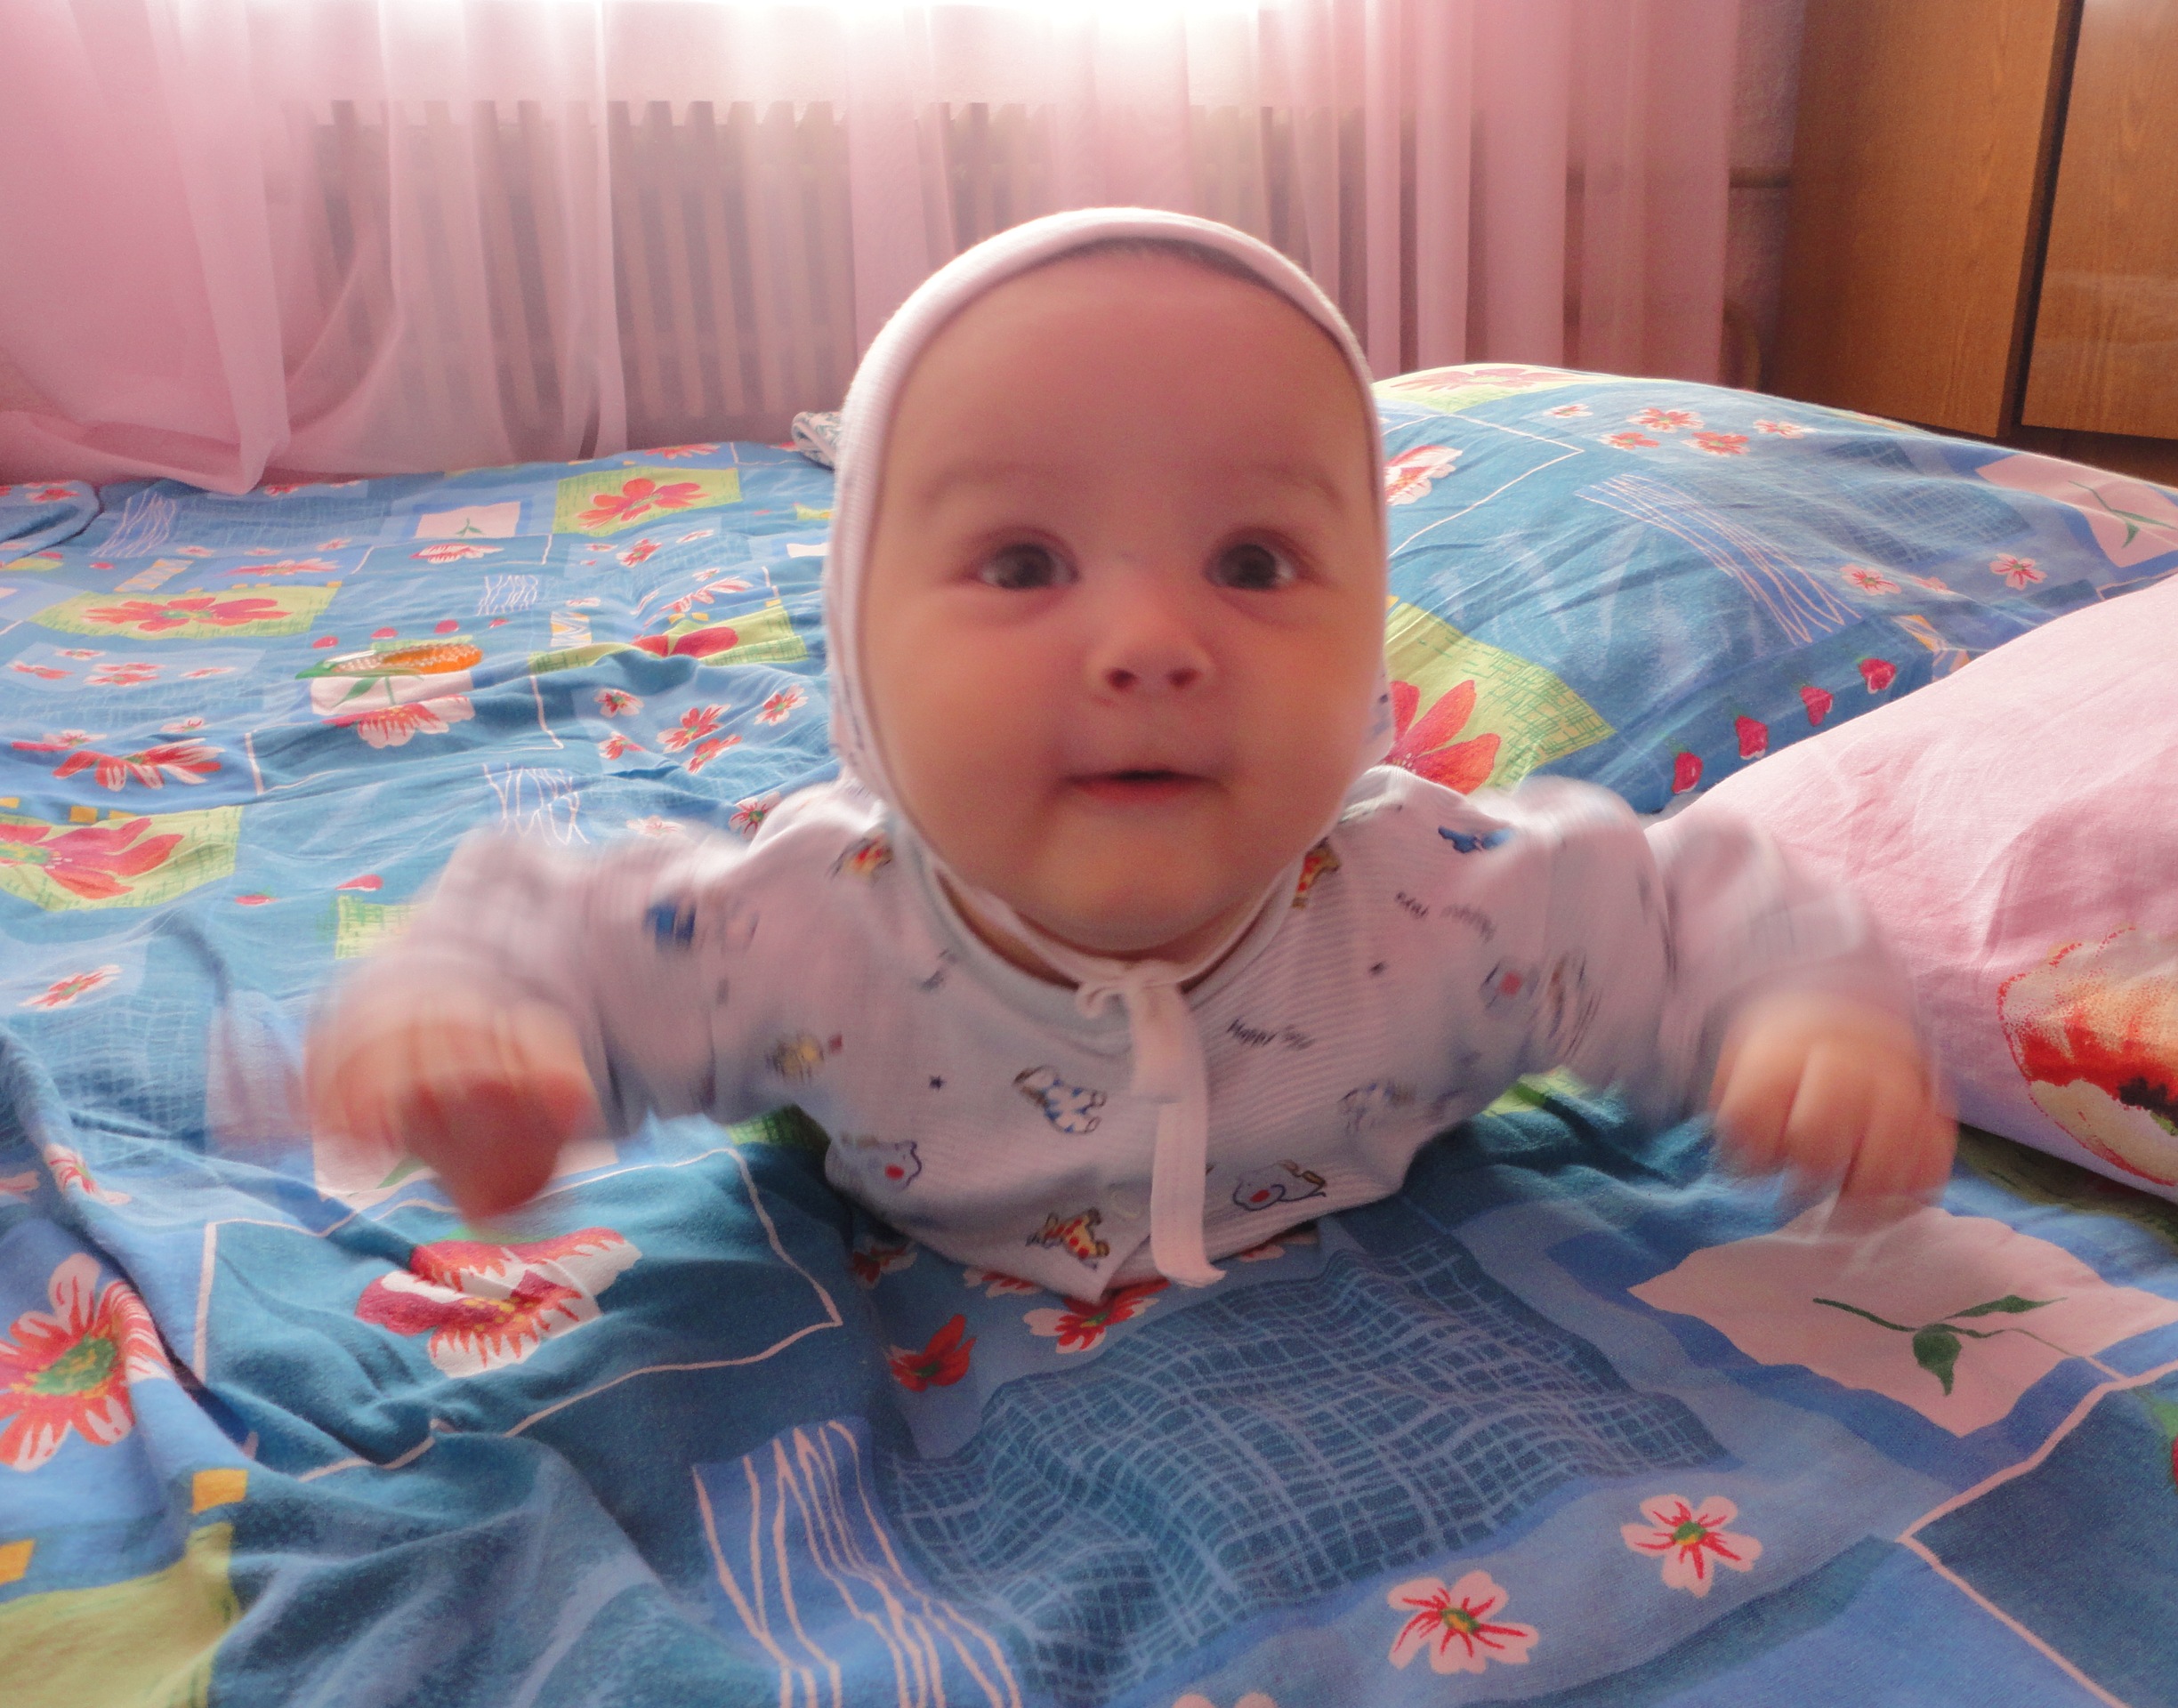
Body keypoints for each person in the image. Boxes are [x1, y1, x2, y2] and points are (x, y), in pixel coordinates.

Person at [307, 208, 1954, 1302]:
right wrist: (473, 1043)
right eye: (1024, 564)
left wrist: (1798, 1018)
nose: (1153, 642)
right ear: (859, 653)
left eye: (1254, 563)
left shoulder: (1447, 906)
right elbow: (551, 945)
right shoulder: (804, 927)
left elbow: (1686, 908)